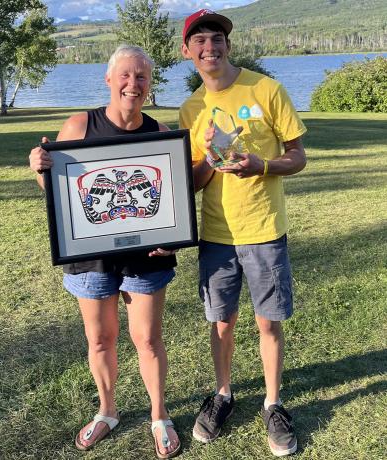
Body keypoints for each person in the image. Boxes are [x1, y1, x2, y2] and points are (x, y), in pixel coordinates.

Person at [29, 44, 181, 459]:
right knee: (100, 339)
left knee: (147, 339)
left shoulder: (162, 136)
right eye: (126, 75)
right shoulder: (78, 126)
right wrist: (40, 168)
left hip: (146, 257)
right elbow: (59, 197)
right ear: (109, 79)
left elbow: (170, 205)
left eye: (143, 77)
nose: (134, 84)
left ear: (150, 85)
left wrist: (173, 232)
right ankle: (107, 410)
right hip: (90, 256)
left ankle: (159, 414)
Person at [179, 9, 307, 457]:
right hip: (216, 233)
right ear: (187, 51)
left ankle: (273, 403)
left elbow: (298, 156)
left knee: (268, 321)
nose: (209, 47)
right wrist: (208, 159)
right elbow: (192, 182)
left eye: (217, 39)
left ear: (227, 46)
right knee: (221, 322)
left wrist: (262, 165)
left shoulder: (266, 88)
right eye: (200, 41)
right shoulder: (191, 108)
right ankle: (224, 395)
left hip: (264, 229)